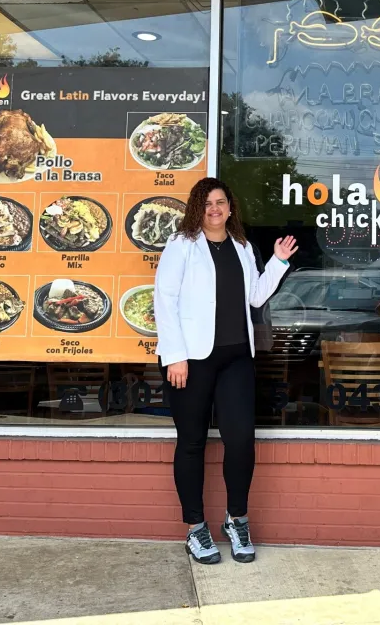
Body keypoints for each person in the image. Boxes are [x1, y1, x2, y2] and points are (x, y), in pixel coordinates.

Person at [154, 177, 297, 565]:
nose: (214, 209)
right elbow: (164, 301)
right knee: (192, 443)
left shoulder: (243, 247)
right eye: (206, 203)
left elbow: (255, 296)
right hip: (192, 360)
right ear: (196, 209)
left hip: (236, 357)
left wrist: (279, 262)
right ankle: (195, 528)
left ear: (230, 208)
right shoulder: (181, 246)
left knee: (240, 442)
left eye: (220, 202)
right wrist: (175, 356)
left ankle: (237, 520)